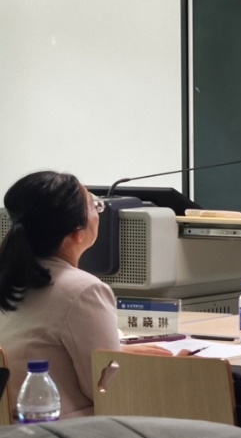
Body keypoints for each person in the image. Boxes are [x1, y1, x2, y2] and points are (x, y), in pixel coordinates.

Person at [0, 171, 174, 419]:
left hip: (13, 429)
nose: (98, 212)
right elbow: (104, 388)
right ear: (77, 232)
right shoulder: (82, 290)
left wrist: (118, 355)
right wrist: (170, 369)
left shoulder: (12, 277)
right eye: (94, 206)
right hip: (67, 433)